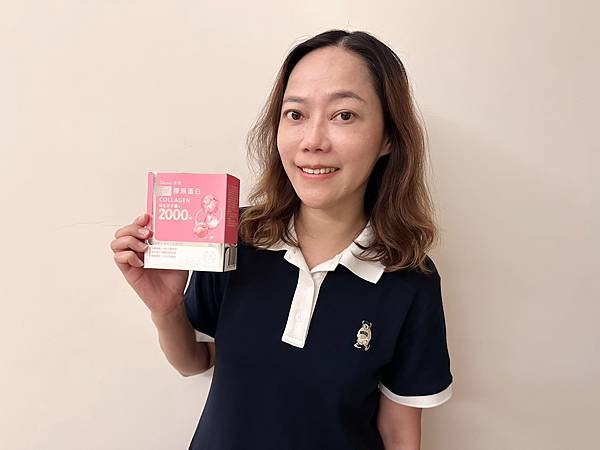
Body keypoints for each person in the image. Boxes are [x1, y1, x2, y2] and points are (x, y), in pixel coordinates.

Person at [111, 29, 453, 450]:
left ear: (388, 137)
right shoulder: (235, 236)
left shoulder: (410, 279)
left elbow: (399, 433)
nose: (313, 141)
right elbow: (194, 362)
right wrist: (166, 309)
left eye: (344, 115)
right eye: (296, 114)